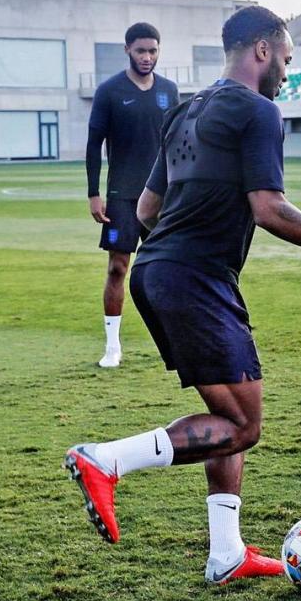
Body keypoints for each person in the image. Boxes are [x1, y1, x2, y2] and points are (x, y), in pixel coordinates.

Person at [65, 6, 301, 584]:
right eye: (287, 60)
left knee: (229, 411)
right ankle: (107, 459)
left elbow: (146, 210)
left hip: (163, 271)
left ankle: (227, 554)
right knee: (244, 425)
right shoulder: (259, 111)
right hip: (195, 278)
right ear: (263, 51)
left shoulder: (186, 109)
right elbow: (267, 208)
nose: (287, 74)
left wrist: (173, 255)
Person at [85, 23, 178, 368]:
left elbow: (177, 143)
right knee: (117, 269)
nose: (148, 57)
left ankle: (174, 341)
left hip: (162, 199)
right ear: (127, 50)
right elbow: (94, 145)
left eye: (153, 51)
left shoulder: (169, 90)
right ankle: (113, 347)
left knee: (167, 269)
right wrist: (94, 193)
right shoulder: (109, 91)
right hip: (122, 196)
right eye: (141, 51)